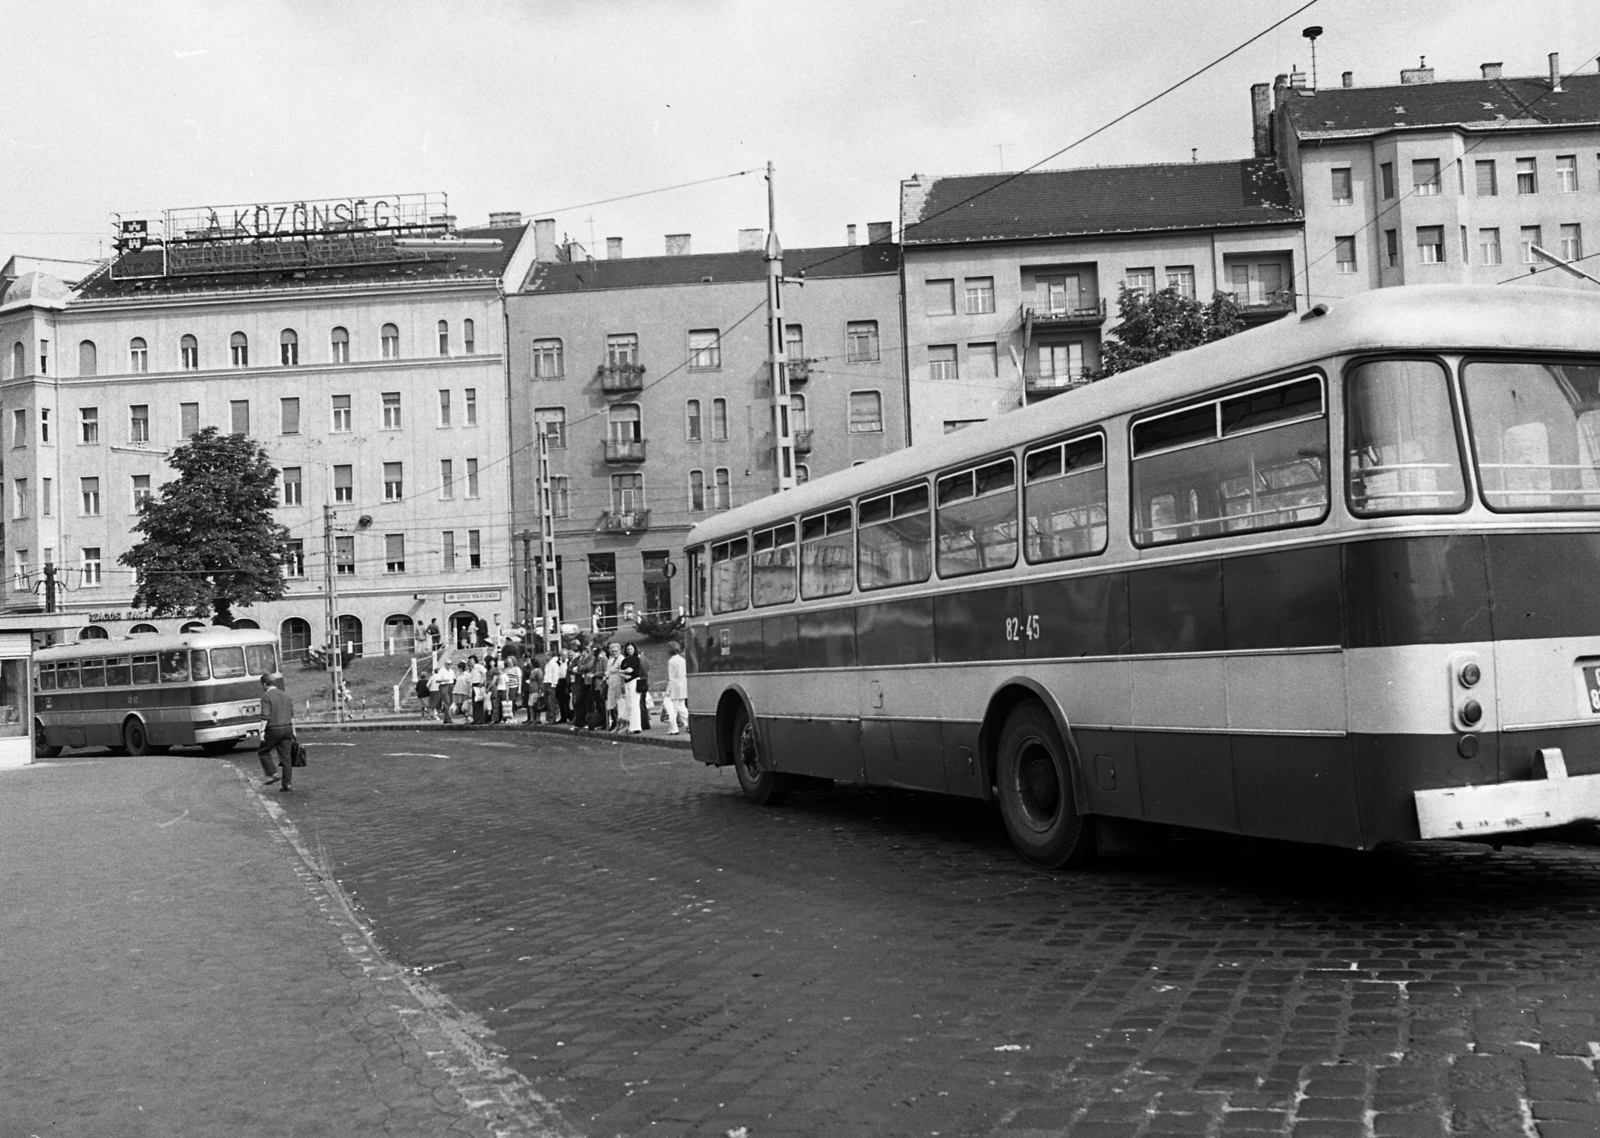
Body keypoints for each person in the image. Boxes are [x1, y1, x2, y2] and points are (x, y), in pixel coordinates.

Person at [256, 672, 297, 792]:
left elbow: (265, 716)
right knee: (286, 757)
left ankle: (273, 773)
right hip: (288, 728)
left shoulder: (266, 697)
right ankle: (287, 784)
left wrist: (262, 731)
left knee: (263, 751)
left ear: (264, 684)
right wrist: (293, 731)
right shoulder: (286, 696)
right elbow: (292, 715)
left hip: (274, 729)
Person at [663, 641, 689, 735]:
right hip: (682, 686)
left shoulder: (671, 661)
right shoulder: (682, 660)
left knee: (672, 709)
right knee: (682, 707)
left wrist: (668, 690)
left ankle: (673, 729)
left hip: (674, 687)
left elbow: (671, 677)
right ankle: (689, 723)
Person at [620, 643, 644, 733]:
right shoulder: (625, 660)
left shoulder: (635, 659)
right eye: (628, 649)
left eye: (631, 649)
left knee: (634, 704)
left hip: (634, 681)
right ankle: (631, 725)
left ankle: (636, 726)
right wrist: (622, 673)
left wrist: (620, 671)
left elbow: (629, 670)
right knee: (629, 705)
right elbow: (622, 672)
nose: (630, 651)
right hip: (627, 682)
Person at [546, 649, 569, 724]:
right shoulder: (557, 662)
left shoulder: (568, 662)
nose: (563, 657)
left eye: (564, 655)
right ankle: (563, 717)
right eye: (562, 655)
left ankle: (569, 716)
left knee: (567, 700)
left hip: (566, 681)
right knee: (560, 701)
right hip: (559, 681)